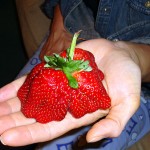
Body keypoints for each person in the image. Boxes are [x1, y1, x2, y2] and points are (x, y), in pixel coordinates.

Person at [0, 0, 150, 149]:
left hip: (142, 78)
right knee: (16, 99)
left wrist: (134, 56)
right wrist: (59, 22)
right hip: (75, 32)